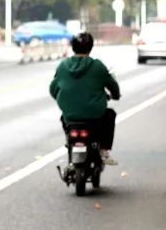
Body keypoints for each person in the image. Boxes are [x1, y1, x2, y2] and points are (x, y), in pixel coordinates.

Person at [49, 32, 120, 165]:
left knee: (63, 118)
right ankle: (104, 150)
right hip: (94, 116)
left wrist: (64, 99)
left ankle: (70, 143)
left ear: (72, 47)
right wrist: (115, 95)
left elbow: (53, 89)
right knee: (110, 115)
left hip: (70, 116)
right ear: (91, 47)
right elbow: (112, 85)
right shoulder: (98, 66)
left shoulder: (63, 66)